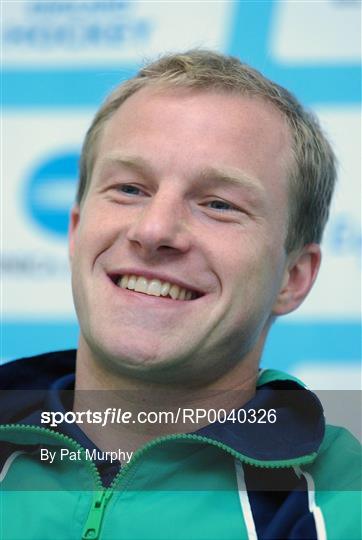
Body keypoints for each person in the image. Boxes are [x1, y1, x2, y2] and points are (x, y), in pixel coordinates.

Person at [1, 50, 360, 540]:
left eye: (218, 203)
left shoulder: (344, 504)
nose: (154, 230)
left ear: (293, 277)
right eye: (129, 188)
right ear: (76, 231)